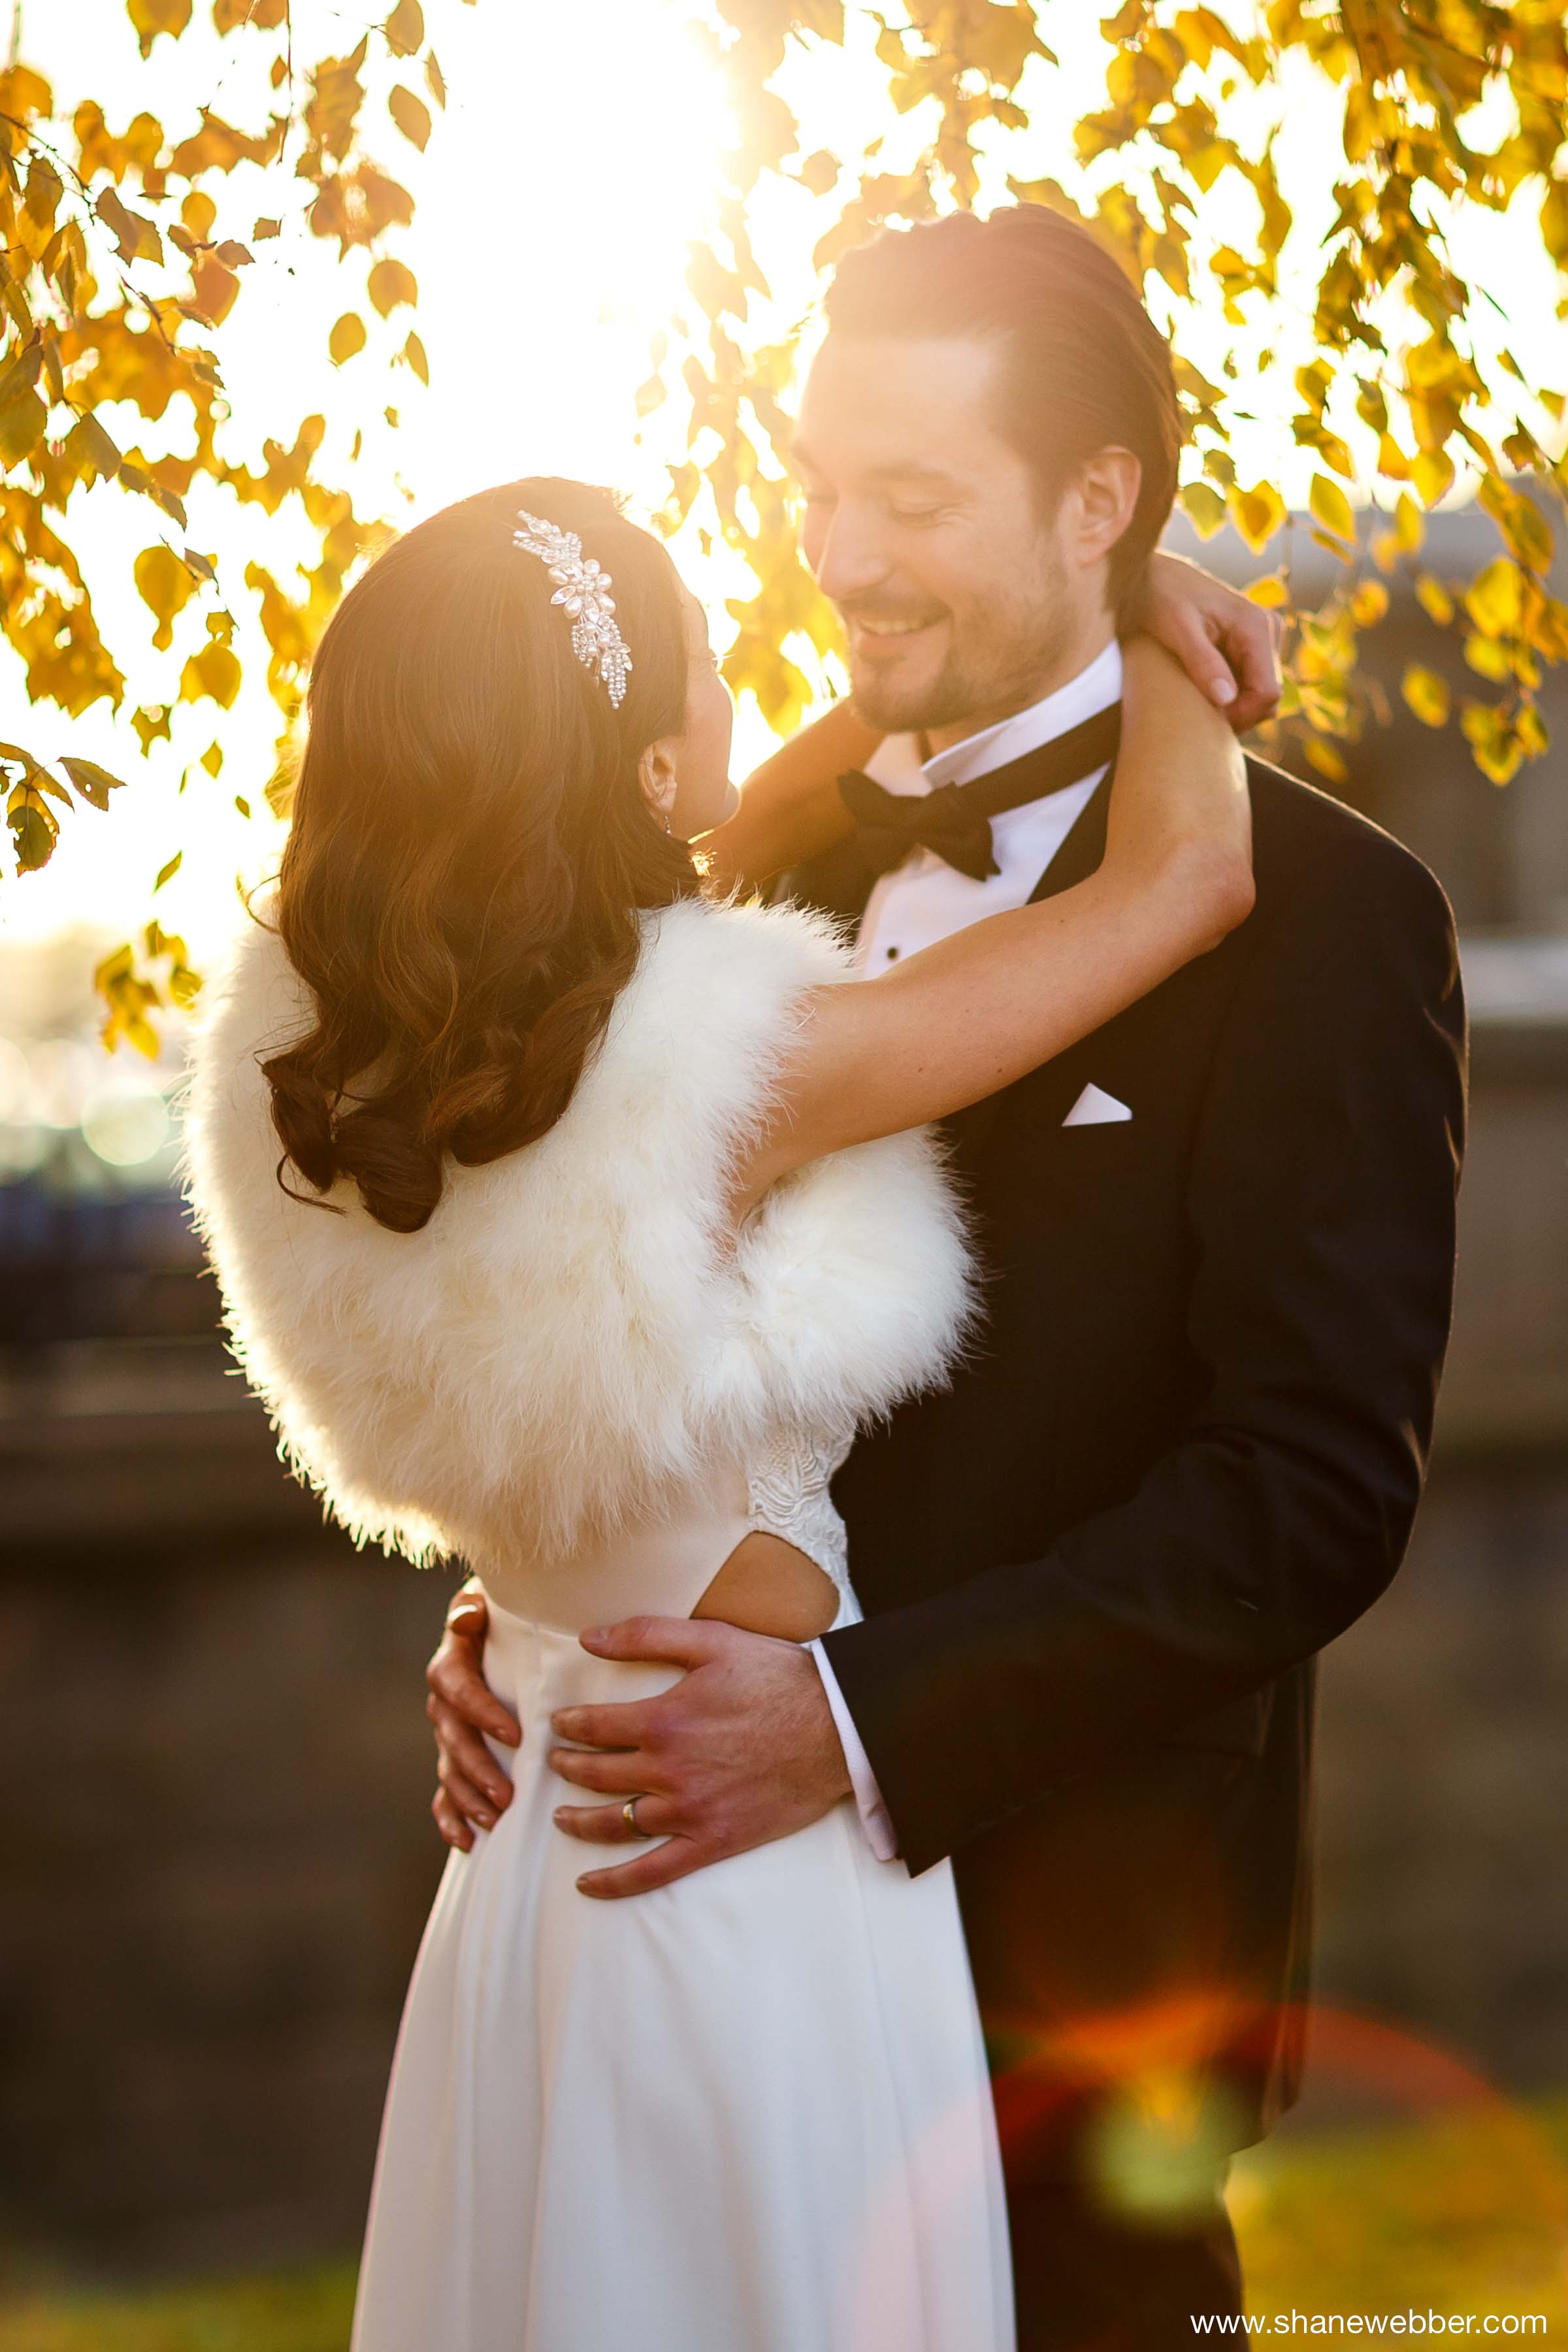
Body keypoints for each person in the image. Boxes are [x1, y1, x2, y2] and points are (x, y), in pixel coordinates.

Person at [425, 208, 1469, 2348]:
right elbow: (608, 1305)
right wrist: (525, 1597)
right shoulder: (739, 871)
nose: (842, 550)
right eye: (819, 484)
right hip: (682, 1967)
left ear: (1101, 501)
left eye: (910, 498)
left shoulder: (1335, 924)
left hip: (1070, 2029)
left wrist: (856, 1727)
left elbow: (1309, 1492)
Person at [182, 459, 1252, 2352]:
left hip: (531, 1841)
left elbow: (564, 1430)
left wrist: (500, 1622)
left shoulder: (329, 1075)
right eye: (703, 663)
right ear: (650, 767)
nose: (751, 700)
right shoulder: (728, 1084)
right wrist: (1135, 611)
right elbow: (1191, 877)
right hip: (737, 1881)